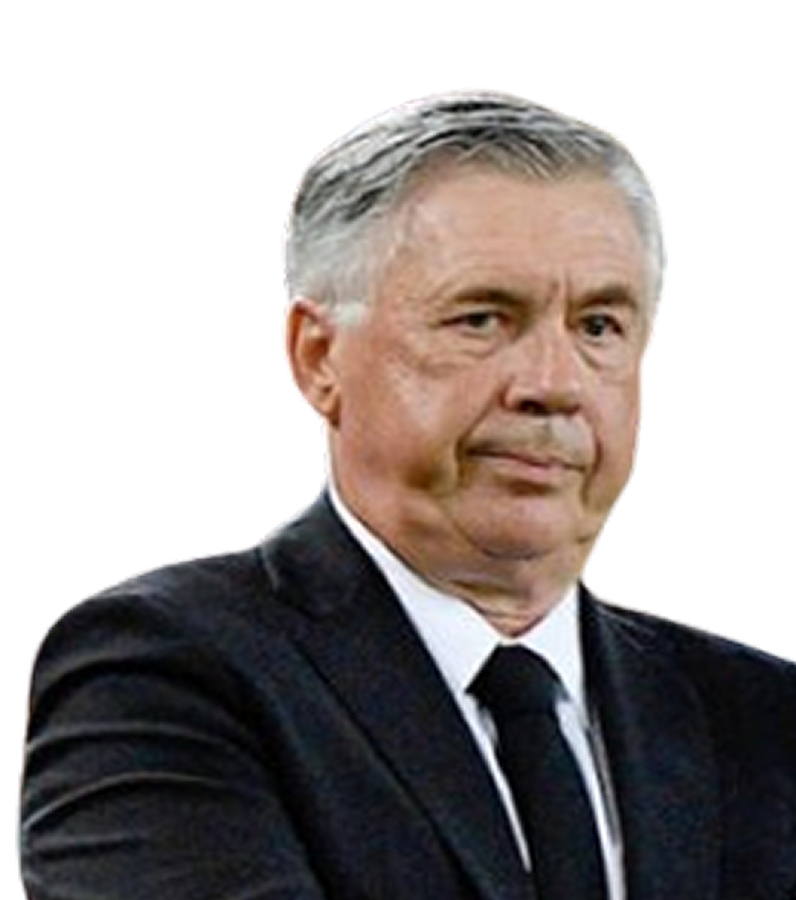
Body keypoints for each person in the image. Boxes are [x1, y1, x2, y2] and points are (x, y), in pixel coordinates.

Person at [18, 90, 795, 900]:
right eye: (482, 319)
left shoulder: (761, 714)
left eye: (598, 326)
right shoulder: (165, 674)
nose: (554, 384)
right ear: (318, 356)